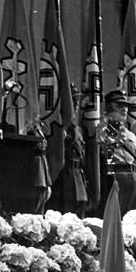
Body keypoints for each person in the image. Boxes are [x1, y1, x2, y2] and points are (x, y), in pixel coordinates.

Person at [98, 89, 136, 214]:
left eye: (126, 106)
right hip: (114, 181)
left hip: (135, 180)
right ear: (109, 108)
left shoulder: (132, 136)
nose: (124, 109)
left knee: (132, 223)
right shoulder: (101, 132)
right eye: (119, 105)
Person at [51, 85, 87, 217]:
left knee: (78, 216)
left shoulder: (77, 130)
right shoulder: (58, 127)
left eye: (77, 101)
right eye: (72, 101)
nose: (76, 105)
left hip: (78, 178)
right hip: (63, 178)